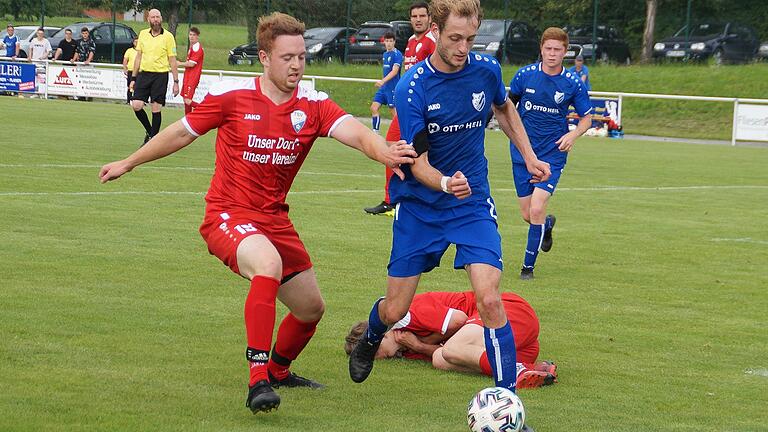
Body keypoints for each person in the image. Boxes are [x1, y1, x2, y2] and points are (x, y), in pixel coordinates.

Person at [99, 12, 417, 415]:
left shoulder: (313, 105)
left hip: (274, 220)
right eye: (287, 57)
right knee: (266, 263)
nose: (297, 65)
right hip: (227, 215)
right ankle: (258, 379)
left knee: (310, 309)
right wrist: (129, 161)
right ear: (264, 58)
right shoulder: (232, 98)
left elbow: (355, 132)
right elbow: (180, 132)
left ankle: (281, 370)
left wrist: (384, 152)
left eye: (301, 56)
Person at [348, 0, 550, 394]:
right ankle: (373, 334)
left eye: (471, 39)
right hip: (422, 204)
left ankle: (505, 398)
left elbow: (505, 108)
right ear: (435, 32)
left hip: (471, 201)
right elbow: (418, 162)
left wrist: (529, 156)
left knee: (490, 299)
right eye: (455, 38)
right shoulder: (413, 87)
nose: (463, 48)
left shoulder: (485, 70)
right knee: (396, 309)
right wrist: (443, 183)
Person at [508, 28, 593, 280]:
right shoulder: (524, 76)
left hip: (552, 153)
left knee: (536, 209)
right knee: (527, 214)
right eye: (548, 49)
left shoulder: (572, 83)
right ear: (541, 49)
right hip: (522, 153)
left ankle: (527, 269)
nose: (552, 54)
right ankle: (546, 227)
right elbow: (507, 107)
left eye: (557, 50)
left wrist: (573, 135)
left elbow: (587, 118)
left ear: (565, 52)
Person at [345, 291, 558, 389]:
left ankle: (516, 371)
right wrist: (420, 346)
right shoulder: (406, 348)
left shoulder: (409, 313)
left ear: (382, 332)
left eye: (374, 348)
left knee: (448, 351)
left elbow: (459, 320)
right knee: (440, 358)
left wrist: (422, 343)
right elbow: (445, 352)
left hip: (505, 311)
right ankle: (530, 368)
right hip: (519, 345)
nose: (377, 356)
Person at [363, 1, 436, 216]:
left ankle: (427, 198)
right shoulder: (411, 42)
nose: (418, 19)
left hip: (425, 108)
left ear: (429, 18)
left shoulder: (432, 42)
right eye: (414, 16)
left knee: (425, 153)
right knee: (391, 147)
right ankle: (391, 200)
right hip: (407, 106)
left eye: (422, 15)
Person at [129, 9, 180, 146]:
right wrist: (133, 78)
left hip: (160, 75)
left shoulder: (168, 37)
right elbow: (138, 57)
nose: (156, 19)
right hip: (144, 74)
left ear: (161, 19)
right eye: (153, 17)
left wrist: (176, 82)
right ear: (148, 19)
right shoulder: (143, 34)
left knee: (156, 107)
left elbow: (172, 60)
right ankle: (150, 132)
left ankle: (153, 142)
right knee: (136, 105)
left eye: (158, 17)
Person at [369, 31, 402, 135]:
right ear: (384, 42)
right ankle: (376, 133)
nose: (388, 43)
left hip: (393, 87)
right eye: (387, 41)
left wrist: (382, 81)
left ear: (394, 42)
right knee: (374, 108)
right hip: (384, 88)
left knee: (394, 115)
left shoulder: (397, 54)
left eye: (391, 41)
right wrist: (383, 82)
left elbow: (395, 71)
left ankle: (401, 135)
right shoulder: (385, 54)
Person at [178, 27, 204, 115]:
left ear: (197, 36)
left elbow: (191, 64)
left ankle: (206, 110)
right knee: (185, 100)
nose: (191, 37)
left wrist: (179, 63)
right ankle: (187, 119)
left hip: (192, 78)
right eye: (190, 34)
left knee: (188, 100)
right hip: (188, 77)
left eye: (194, 35)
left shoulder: (197, 48)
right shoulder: (193, 47)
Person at [122, 36, 139, 103]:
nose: (136, 43)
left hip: (139, 71)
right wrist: (125, 69)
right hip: (131, 71)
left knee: (139, 87)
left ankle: (138, 101)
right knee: (130, 86)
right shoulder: (129, 50)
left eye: (138, 42)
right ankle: (129, 100)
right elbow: (125, 60)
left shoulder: (142, 51)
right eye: (135, 42)